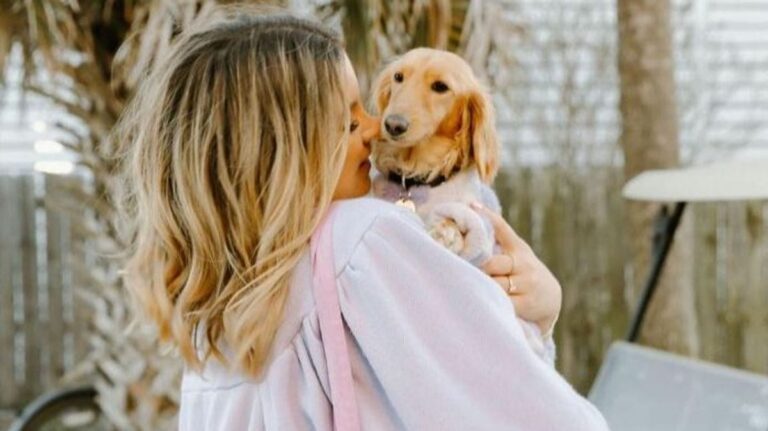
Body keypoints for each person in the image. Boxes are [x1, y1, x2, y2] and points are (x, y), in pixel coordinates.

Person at [114, 6, 609, 430]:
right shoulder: (363, 242)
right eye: (350, 120)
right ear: (285, 156)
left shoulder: (215, 309)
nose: (377, 129)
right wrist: (539, 319)